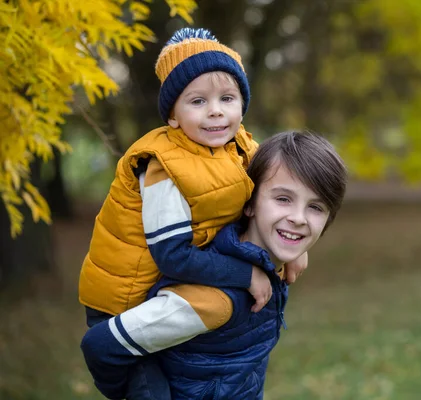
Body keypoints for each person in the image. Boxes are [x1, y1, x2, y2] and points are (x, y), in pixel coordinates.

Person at [78, 28, 307, 399]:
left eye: (227, 98)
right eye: (198, 101)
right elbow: (172, 255)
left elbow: (273, 202)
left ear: (241, 105)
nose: (216, 110)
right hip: (123, 304)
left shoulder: (241, 147)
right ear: (172, 115)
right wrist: (246, 274)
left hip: (167, 293)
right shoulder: (163, 169)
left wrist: (294, 249)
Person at [81, 131, 348, 399]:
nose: (299, 218)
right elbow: (100, 345)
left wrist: (294, 253)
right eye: (283, 199)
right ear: (250, 202)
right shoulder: (215, 301)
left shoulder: (272, 265)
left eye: (316, 207)